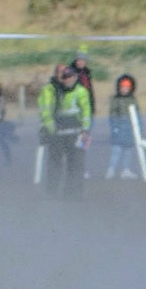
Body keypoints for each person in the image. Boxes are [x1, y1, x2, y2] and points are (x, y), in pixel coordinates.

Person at [39, 62, 92, 199]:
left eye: (68, 75)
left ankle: (74, 192)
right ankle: (52, 192)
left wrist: (85, 130)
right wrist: (51, 130)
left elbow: (86, 112)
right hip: (58, 132)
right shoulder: (52, 89)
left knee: (76, 163)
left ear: (74, 77)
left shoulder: (80, 91)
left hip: (76, 131)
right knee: (55, 162)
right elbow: (47, 111)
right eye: (63, 75)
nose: (66, 78)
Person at [107, 74, 141, 179]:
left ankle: (125, 170)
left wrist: (138, 129)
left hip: (130, 128)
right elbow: (112, 114)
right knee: (116, 150)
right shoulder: (115, 99)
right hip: (119, 127)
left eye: (127, 87)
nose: (124, 89)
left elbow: (137, 114)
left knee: (128, 150)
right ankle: (111, 170)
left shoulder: (133, 99)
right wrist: (115, 128)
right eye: (122, 87)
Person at [70, 52, 96, 116]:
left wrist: (92, 107)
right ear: (76, 61)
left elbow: (90, 90)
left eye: (83, 60)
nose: (81, 62)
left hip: (87, 103)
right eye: (79, 60)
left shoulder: (86, 72)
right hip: (76, 105)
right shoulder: (71, 72)